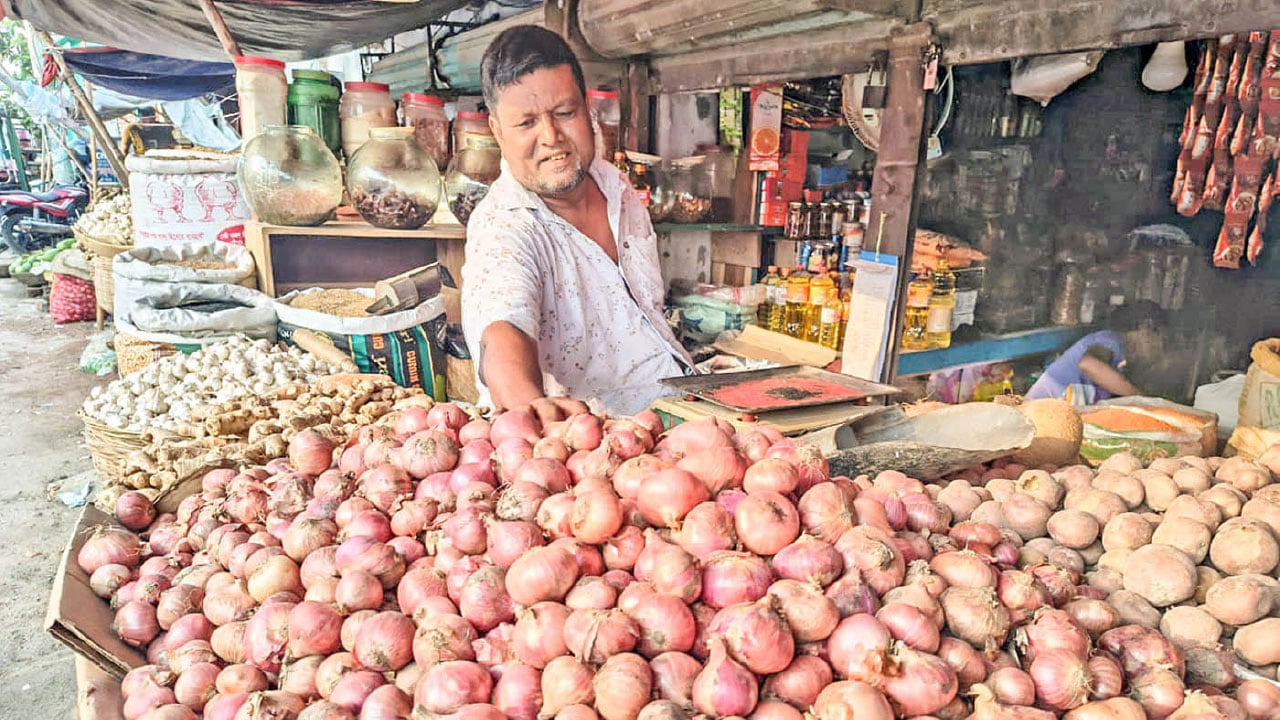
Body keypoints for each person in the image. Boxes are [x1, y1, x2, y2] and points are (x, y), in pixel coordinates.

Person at [460, 26, 694, 424]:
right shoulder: (505, 227)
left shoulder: (615, 185)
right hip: (604, 448)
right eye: (526, 123)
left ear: (588, 111)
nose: (551, 137)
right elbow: (501, 330)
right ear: (498, 132)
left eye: (564, 113)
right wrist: (527, 406)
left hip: (683, 411)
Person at [1026, 300, 1165, 405]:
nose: (1159, 349)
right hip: (1040, 414)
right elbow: (1089, 364)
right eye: (1162, 340)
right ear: (1146, 327)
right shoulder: (1110, 339)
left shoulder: (1122, 360)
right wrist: (1140, 398)